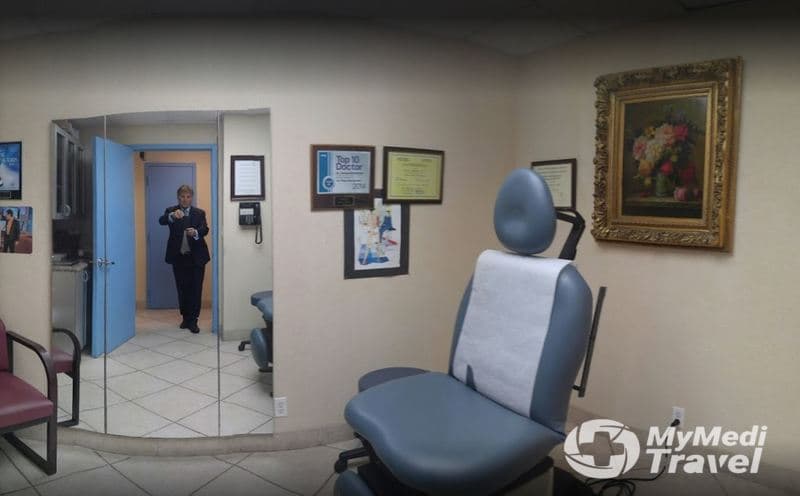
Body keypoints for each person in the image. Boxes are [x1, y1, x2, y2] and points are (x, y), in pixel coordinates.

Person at [158, 185, 210, 333]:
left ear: (191, 198)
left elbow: (205, 229)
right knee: (182, 289)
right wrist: (172, 216)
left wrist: (196, 232)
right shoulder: (171, 211)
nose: (185, 199)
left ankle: (193, 320)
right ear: (178, 197)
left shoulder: (199, 213)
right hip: (179, 257)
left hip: (197, 258)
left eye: (188, 196)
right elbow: (161, 221)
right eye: (182, 196)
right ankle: (185, 318)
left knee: (196, 289)